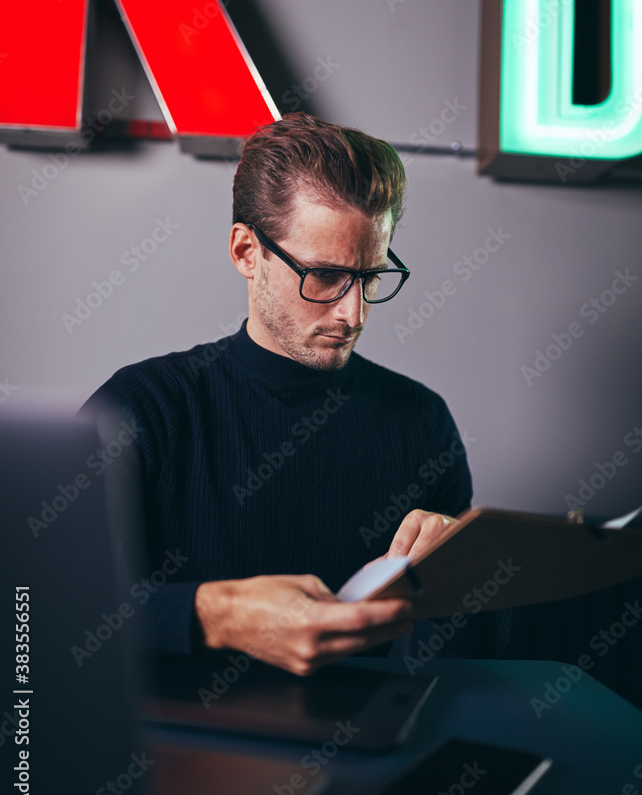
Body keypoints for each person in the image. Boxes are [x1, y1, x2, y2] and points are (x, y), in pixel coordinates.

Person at [81, 111, 510, 676]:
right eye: (325, 276)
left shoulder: (422, 421)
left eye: (370, 277)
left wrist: (466, 573)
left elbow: (463, 659)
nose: (352, 313)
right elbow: (36, 608)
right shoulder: (144, 408)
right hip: (177, 754)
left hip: (369, 749)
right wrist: (215, 614)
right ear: (245, 252)